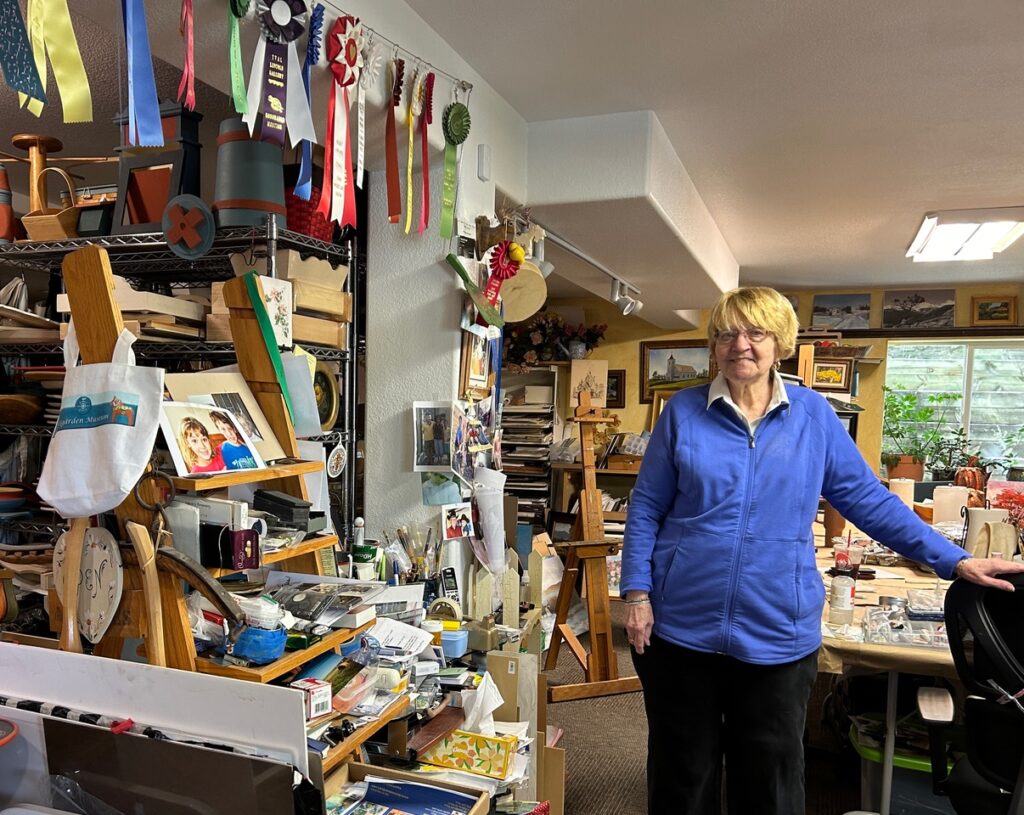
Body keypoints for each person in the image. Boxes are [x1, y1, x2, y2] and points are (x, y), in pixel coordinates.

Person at [620, 286, 1024, 815]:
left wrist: (954, 560)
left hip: (777, 631)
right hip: (682, 629)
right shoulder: (683, 413)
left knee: (770, 778)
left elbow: (868, 502)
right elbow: (647, 507)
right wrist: (636, 592)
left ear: (779, 343)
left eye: (755, 333)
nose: (739, 344)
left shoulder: (813, 416)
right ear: (714, 345)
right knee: (682, 772)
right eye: (726, 334)